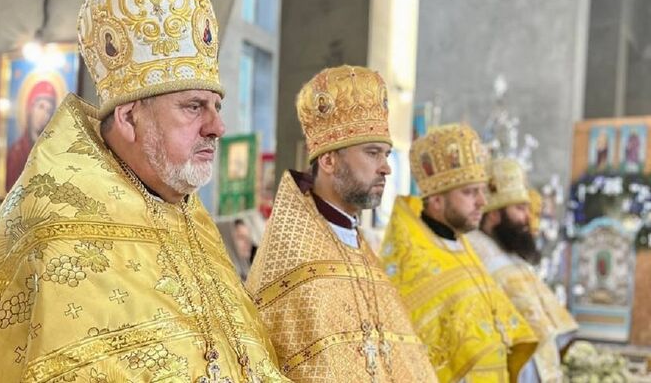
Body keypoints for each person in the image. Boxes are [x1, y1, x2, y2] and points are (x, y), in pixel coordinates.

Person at [0, 0, 290, 382]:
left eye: (216, 107)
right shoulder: (56, 235)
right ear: (129, 118)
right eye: (193, 107)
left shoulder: (195, 226)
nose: (217, 127)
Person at [246, 66, 436, 381]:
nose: (386, 168)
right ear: (329, 160)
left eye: (386, 154)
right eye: (372, 153)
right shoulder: (293, 257)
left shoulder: (361, 248)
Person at [379, 123, 537, 382]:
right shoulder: (411, 260)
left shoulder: (464, 248)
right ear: (437, 200)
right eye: (469, 192)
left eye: (482, 191)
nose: (482, 202)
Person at [467, 158, 578, 382]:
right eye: (519, 209)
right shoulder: (473, 251)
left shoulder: (512, 254)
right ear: (494, 214)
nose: (528, 217)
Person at [5, 80, 57, 190]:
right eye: (41, 107)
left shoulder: (52, 153)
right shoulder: (16, 153)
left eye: (48, 110)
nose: (44, 115)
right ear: (30, 108)